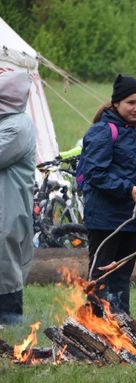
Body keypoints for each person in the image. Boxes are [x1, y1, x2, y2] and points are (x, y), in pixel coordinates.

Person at [79, 74, 136, 315]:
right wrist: (126, 188)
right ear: (116, 103)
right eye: (131, 102)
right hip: (105, 219)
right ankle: (94, 328)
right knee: (101, 277)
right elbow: (95, 173)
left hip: (131, 219)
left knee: (122, 276)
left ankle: (121, 326)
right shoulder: (103, 131)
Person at [0, 71, 35, 325]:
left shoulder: (17, 127)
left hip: (8, 209)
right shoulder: (7, 122)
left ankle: (11, 323)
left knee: (6, 266)